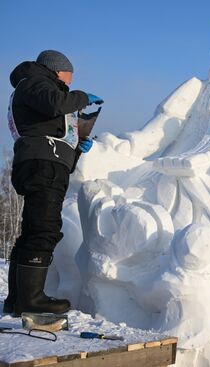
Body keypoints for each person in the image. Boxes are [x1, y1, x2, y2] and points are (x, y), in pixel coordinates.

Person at [4, 50, 103, 315]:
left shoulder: (38, 87)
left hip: (45, 163)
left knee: (33, 230)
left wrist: (78, 146)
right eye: (68, 80)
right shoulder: (35, 82)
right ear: (57, 70)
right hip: (42, 164)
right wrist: (81, 97)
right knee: (44, 230)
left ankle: (17, 299)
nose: (70, 85)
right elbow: (56, 104)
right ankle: (31, 299)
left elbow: (53, 122)